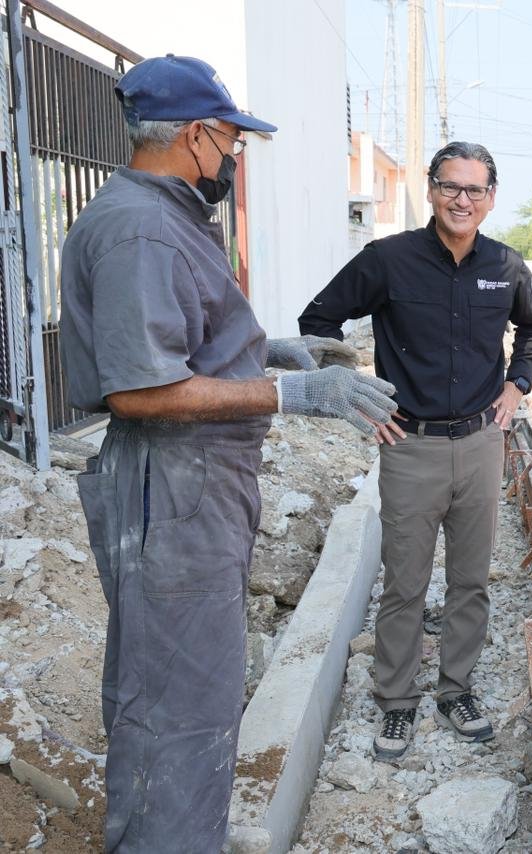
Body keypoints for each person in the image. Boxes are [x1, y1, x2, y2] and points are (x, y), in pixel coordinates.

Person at [58, 55, 398, 852]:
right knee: (176, 704)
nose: (234, 156)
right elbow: (141, 390)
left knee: (191, 687)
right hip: (172, 489)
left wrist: (264, 351)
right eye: (231, 141)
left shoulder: (163, 215)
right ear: (195, 134)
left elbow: (179, 338)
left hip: (190, 487)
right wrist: (291, 393)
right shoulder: (143, 229)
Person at [299, 141, 532, 757]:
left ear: (491, 198)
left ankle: (456, 688)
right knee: (405, 584)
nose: (462, 200)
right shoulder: (388, 260)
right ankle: (397, 700)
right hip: (409, 445)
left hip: (482, 443)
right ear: (431, 190)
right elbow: (317, 322)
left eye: (475, 189)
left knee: (470, 581)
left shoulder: (507, 265)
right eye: (451, 186)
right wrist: (359, 395)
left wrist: (516, 386)